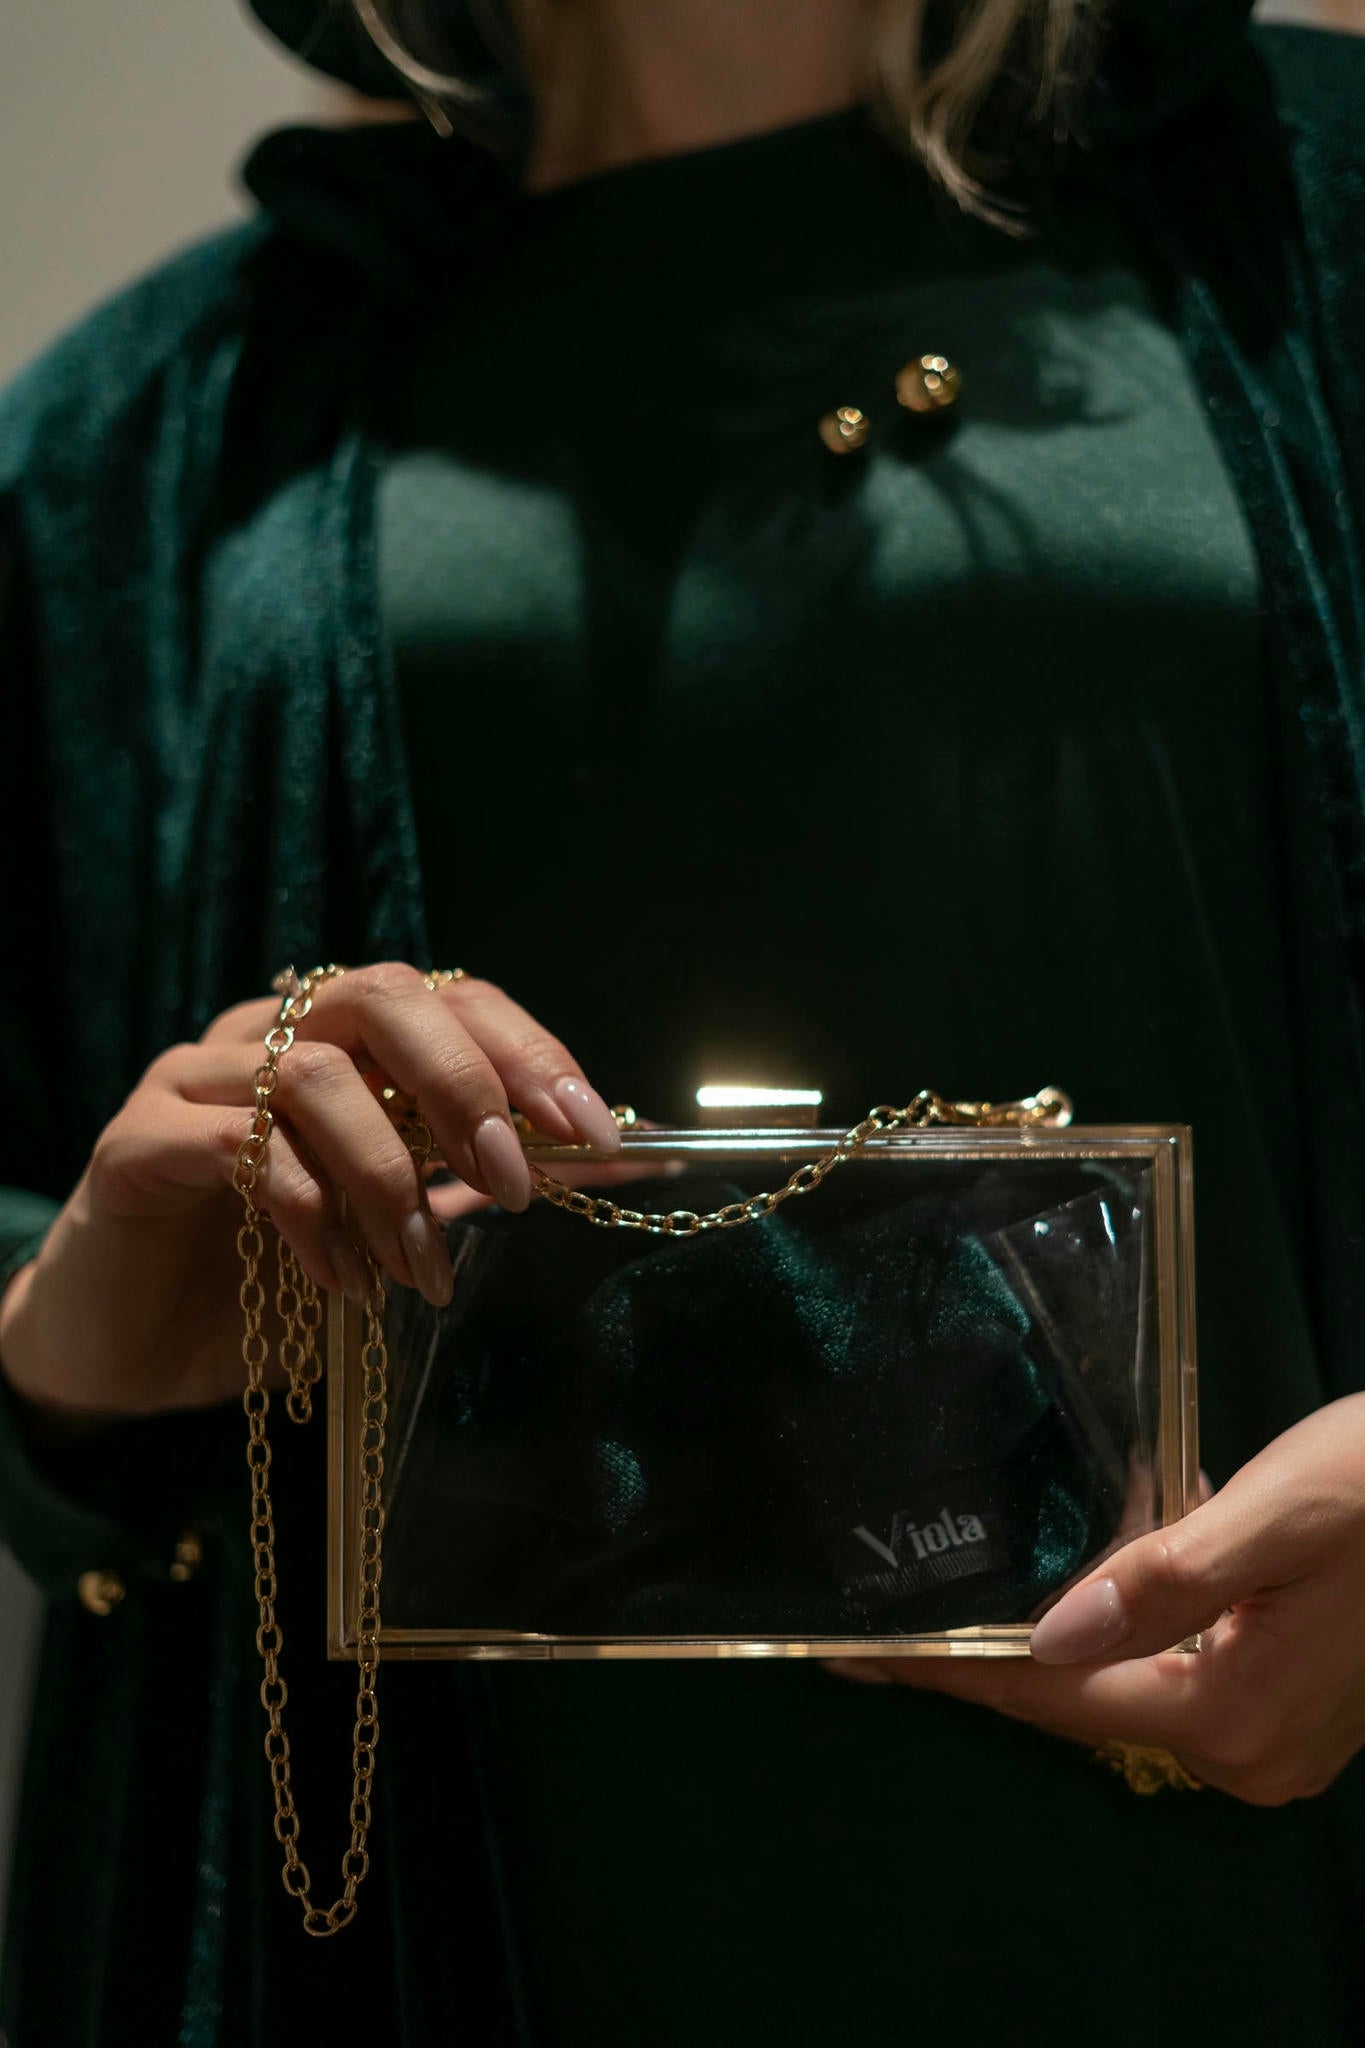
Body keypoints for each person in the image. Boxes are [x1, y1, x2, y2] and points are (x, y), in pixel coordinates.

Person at [1, 0, 1363, 2040]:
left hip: (1238, 1893)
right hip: (481, 1919)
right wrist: (59, 1344)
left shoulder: (1311, 191)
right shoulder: (163, 420)